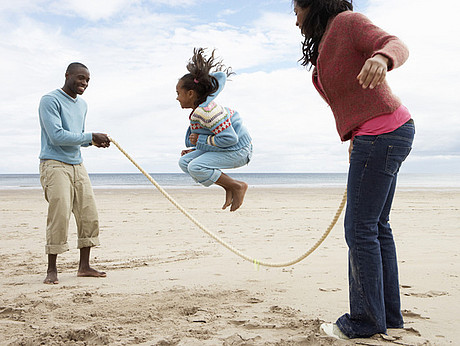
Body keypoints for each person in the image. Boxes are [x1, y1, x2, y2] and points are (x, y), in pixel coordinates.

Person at [293, 0, 415, 340]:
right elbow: (352, 98)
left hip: (383, 134)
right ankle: (388, 316)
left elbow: (396, 44)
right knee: (376, 226)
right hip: (380, 134)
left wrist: (382, 58)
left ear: (313, 5)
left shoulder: (348, 22)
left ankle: (364, 321)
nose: (296, 20)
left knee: (359, 229)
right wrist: (355, 133)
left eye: (296, 11)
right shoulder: (328, 41)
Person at [39, 62, 110, 284]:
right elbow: (57, 137)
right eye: (80, 78)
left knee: (89, 214)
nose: (84, 83)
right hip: (54, 164)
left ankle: (84, 266)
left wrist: (92, 142)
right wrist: (90, 136)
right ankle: (52, 269)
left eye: (87, 80)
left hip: (77, 165)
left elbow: (76, 135)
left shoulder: (83, 105)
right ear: (67, 75)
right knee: (59, 215)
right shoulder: (50, 100)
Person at [177, 48, 253, 212]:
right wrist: (196, 148)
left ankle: (237, 186)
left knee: (195, 167)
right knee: (185, 162)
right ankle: (228, 186)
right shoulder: (200, 111)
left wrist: (200, 141)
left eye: (178, 93)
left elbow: (230, 138)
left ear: (190, 94)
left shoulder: (208, 111)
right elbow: (212, 135)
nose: (177, 97)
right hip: (228, 148)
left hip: (239, 149)